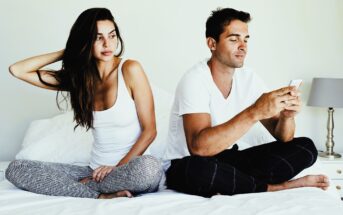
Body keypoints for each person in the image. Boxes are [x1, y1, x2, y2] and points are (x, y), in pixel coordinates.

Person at [163, 8, 329, 197]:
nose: (243, 46)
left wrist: (286, 117)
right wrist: (254, 112)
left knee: (305, 147)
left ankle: (238, 182)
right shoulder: (194, 79)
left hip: (229, 159)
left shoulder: (249, 78)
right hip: (191, 162)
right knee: (196, 171)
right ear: (212, 43)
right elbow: (199, 148)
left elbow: (284, 137)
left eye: (246, 39)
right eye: (234, 39)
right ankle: (277, 187)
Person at [6, 8, 163, 199]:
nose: (107, 43)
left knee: (149, 168)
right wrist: (68, 52)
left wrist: (116, 168)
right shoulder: (79, 79)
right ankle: (99, 195)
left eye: (112, 36)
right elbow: (17, 70)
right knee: (17, 168)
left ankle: (87, 189)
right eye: (98, 38)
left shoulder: (130, 69)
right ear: (86, 42)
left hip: (129, 170)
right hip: (93, 173)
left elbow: (150, 131)